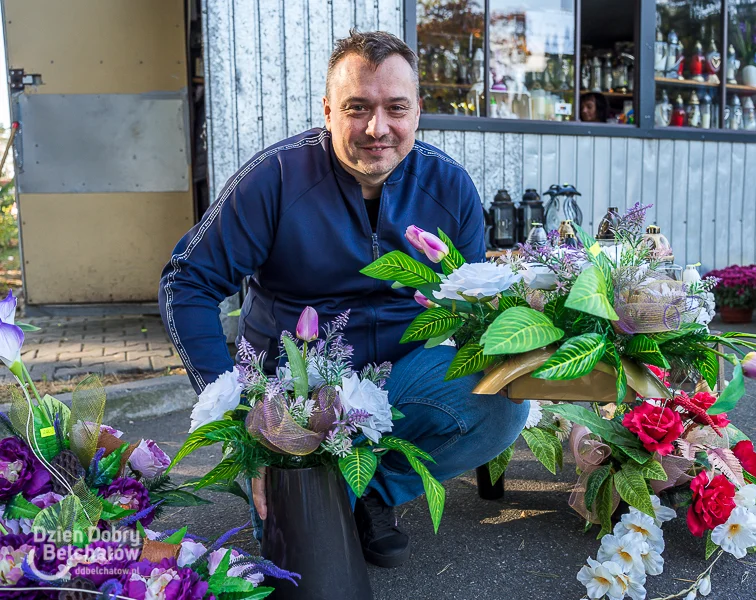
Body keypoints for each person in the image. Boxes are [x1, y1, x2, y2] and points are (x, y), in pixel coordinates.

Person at [159, 30, 529, 568]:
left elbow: (470, 306)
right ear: (328, 110)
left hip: (402, 375)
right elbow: (186, 281)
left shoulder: (450, 187)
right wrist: (240, 411)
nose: (378, 129)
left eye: (396, 108)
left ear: (419, 110)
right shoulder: (276, 178)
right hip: (294, 392)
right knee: (303, 560)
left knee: (504, 403)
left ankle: (377, 492)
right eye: (357, 108)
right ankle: (322, 492)